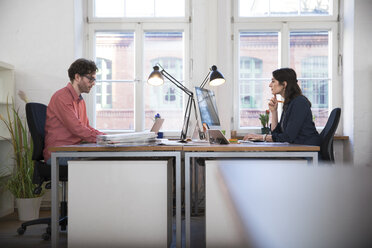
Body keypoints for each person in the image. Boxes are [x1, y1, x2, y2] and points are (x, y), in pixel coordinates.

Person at [43, 58, 105, 165]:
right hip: (59, 154)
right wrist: (103, 140)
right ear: (77, 77)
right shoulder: (62, 97)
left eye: (94, 79)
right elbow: (77, 129)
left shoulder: (80, 101)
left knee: (107, 156)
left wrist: (104, 137)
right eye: (90, 79)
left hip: (72, 149)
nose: (93, 83)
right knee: (105, 158)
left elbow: (86, 127)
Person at [244, 68, 321, 146]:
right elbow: (277, 134)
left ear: (284, 84)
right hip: (298, 149)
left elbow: (287, 137)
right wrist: (274, 112)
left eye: (273, 81)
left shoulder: (299, 102)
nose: (270, 85)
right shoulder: (289, 103)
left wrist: (261, 137)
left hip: (308, 151)